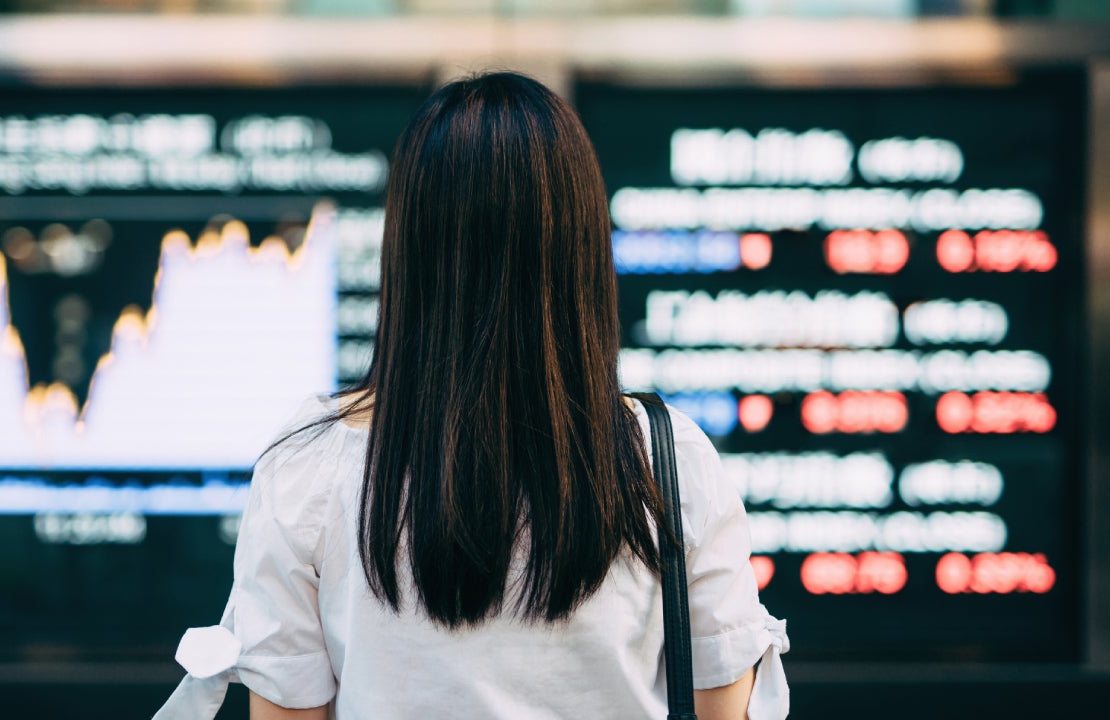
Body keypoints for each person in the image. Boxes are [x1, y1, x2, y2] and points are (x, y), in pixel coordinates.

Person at [153, 71, 788, 720]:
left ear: (407, 247)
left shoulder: (307, 468)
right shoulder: (670, 460)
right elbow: (722, 708)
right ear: (581, 250)